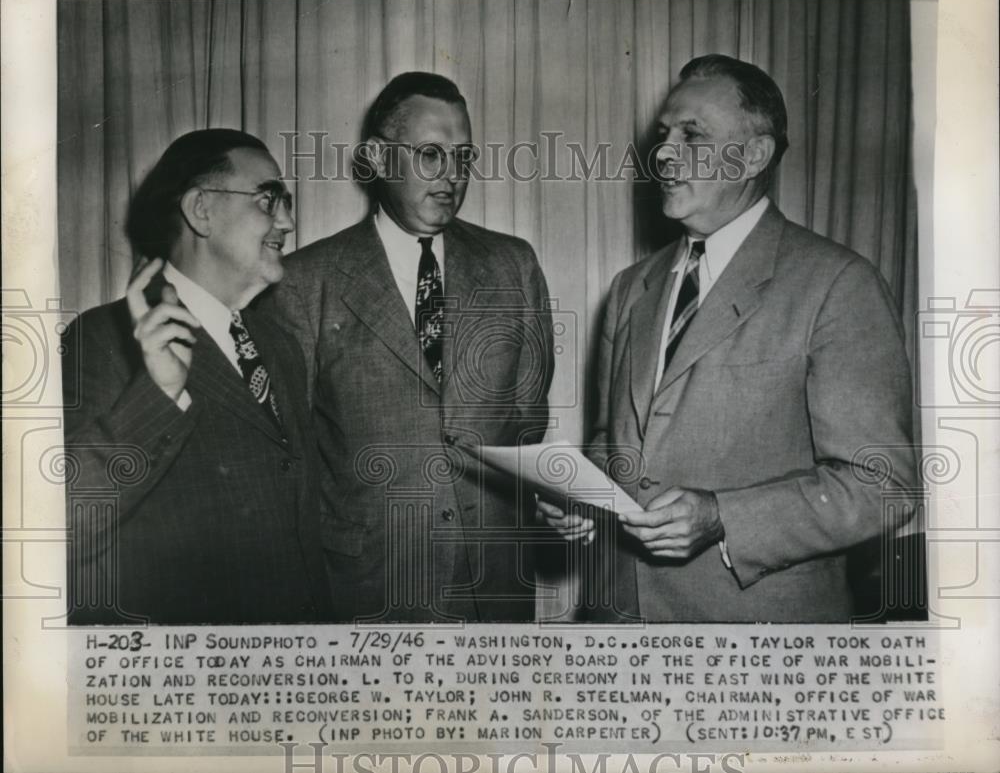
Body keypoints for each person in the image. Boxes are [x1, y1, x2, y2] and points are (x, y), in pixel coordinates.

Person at [540, 54, 917, 622]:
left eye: (693, 135)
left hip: (755, 647)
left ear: (754, 155)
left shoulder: (838, 284)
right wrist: (583, 495)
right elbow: (613, 444)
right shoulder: (629, 289)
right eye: (664, 134)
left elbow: (883, 484)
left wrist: (723, 517)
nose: (664, 152)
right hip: (616, 626)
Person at [264, 72, 554, 622]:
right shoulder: (303, 282)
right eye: (429, 155)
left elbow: (526, 420)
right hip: (367, 590)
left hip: (494, 590)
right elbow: (290, 460)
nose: (450, 176)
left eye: (462, 157)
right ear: (376, 158)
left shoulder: (513, 265)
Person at [62, 129, 332, 624]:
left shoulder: (280, 346)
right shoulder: (103, 339)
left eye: (287, 203)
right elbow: (60, 527)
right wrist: (159, 392)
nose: (289, 222)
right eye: (269, 199)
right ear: (201, 210)